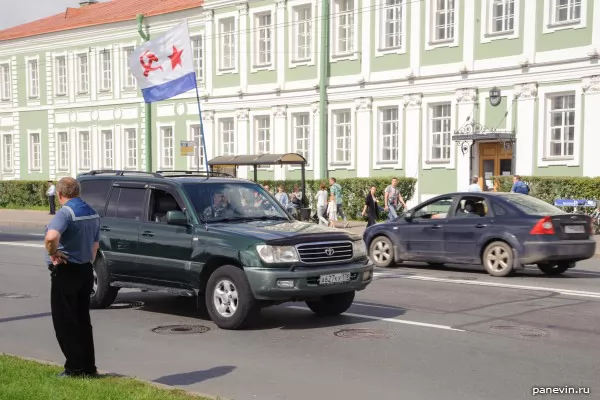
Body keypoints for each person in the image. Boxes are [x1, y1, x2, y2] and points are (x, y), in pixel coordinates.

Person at [43, 177, 101, 378]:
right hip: (85, 270)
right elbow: (95, 246)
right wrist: (87, 261)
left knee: (65, 321)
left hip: (66, 271)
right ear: (78, 192)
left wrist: (54, 253)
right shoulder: (92, 213)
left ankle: (74, 368)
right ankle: (88, 367)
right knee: (82, 320)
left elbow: (51, 237)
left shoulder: (65, 213)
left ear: (59, 194)